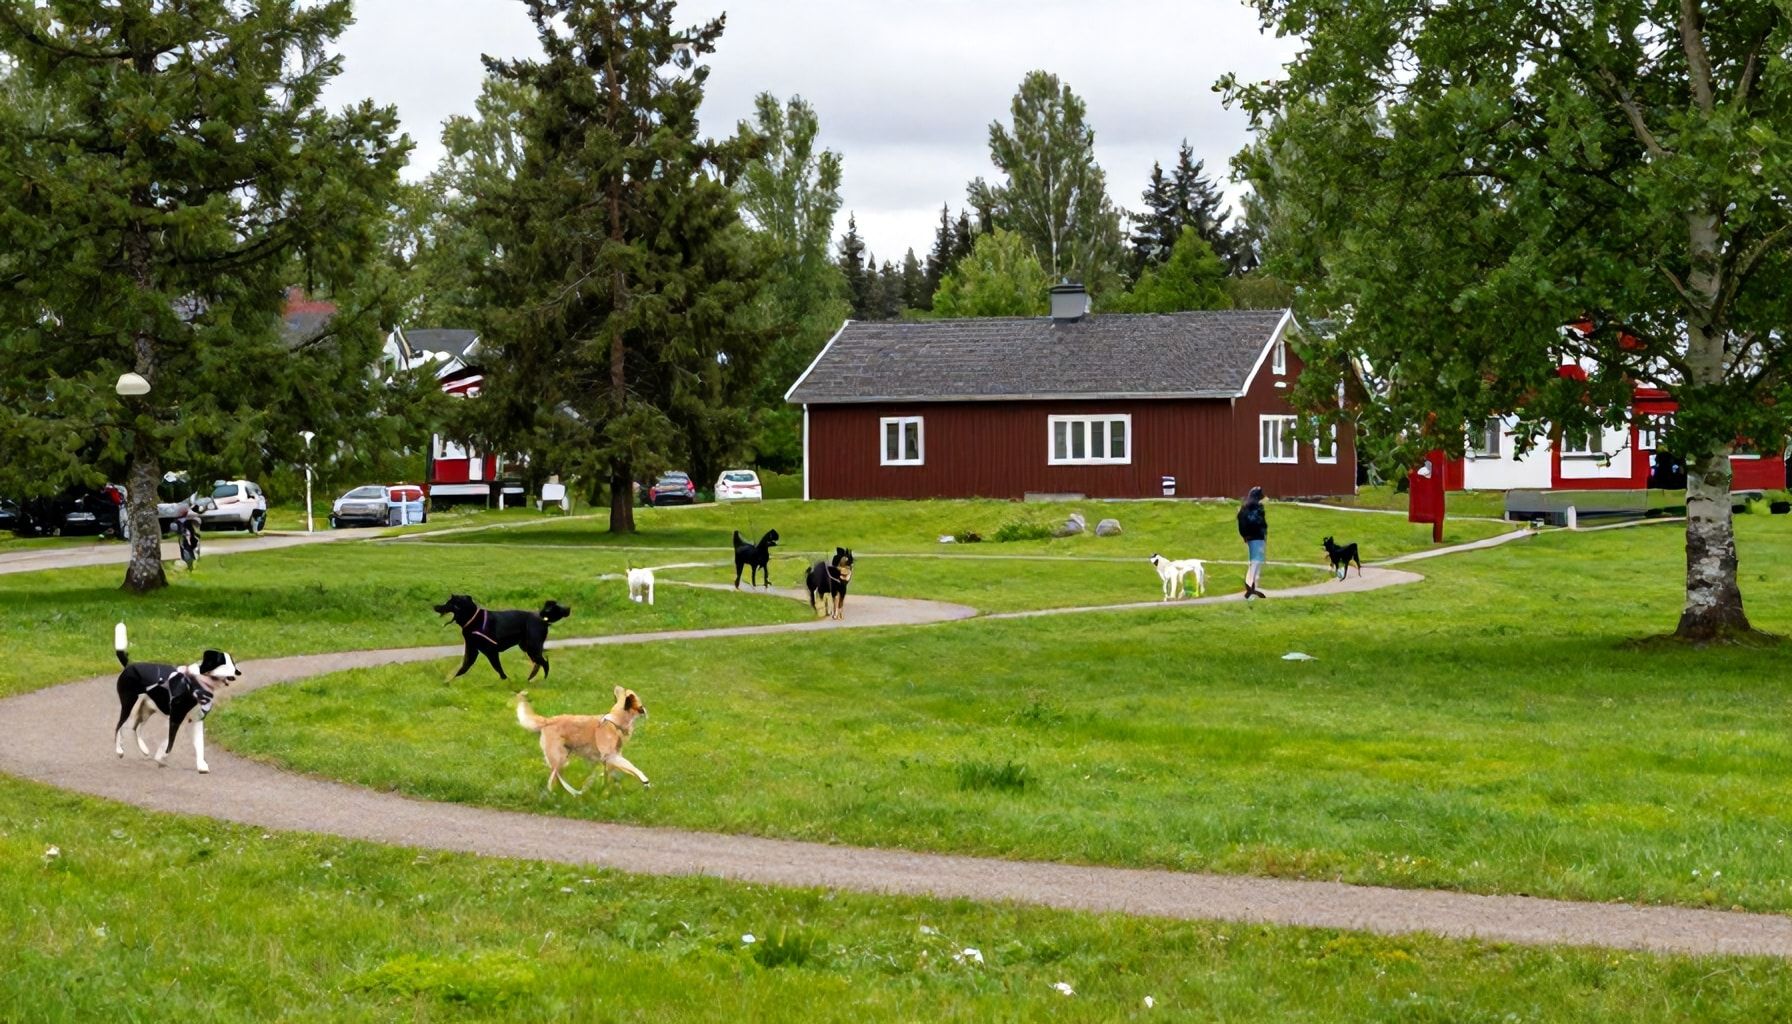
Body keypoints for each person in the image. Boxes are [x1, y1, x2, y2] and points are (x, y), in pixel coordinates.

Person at [1237, 485, 1268, 599]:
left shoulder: (1244, 508)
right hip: (1257, 538)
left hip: (1250, 538)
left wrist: (1245, 535)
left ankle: (1251, 586)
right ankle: (1250, 587)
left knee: (1255, 561)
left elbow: (1241, 523)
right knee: (1256, 562)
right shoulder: (1257, 508)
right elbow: (1260, 523)